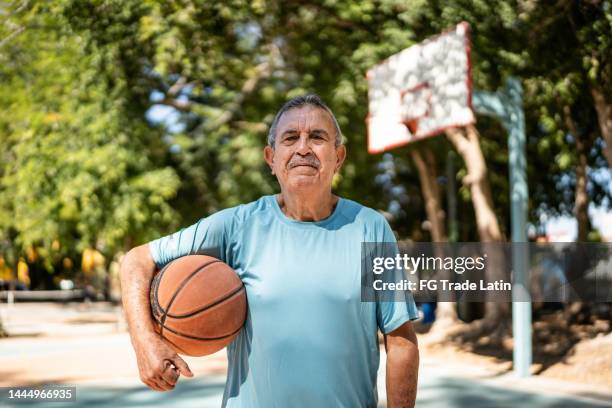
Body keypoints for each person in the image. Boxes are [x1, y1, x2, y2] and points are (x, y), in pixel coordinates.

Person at [120, 94, 420, 407]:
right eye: (290, 138)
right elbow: (136, 260)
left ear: (339, 156)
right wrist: (145, 342)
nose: (303, 148)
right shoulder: (237, 225)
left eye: (317, 137)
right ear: (271, 158)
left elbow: (401, 341)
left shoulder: (370, 228)